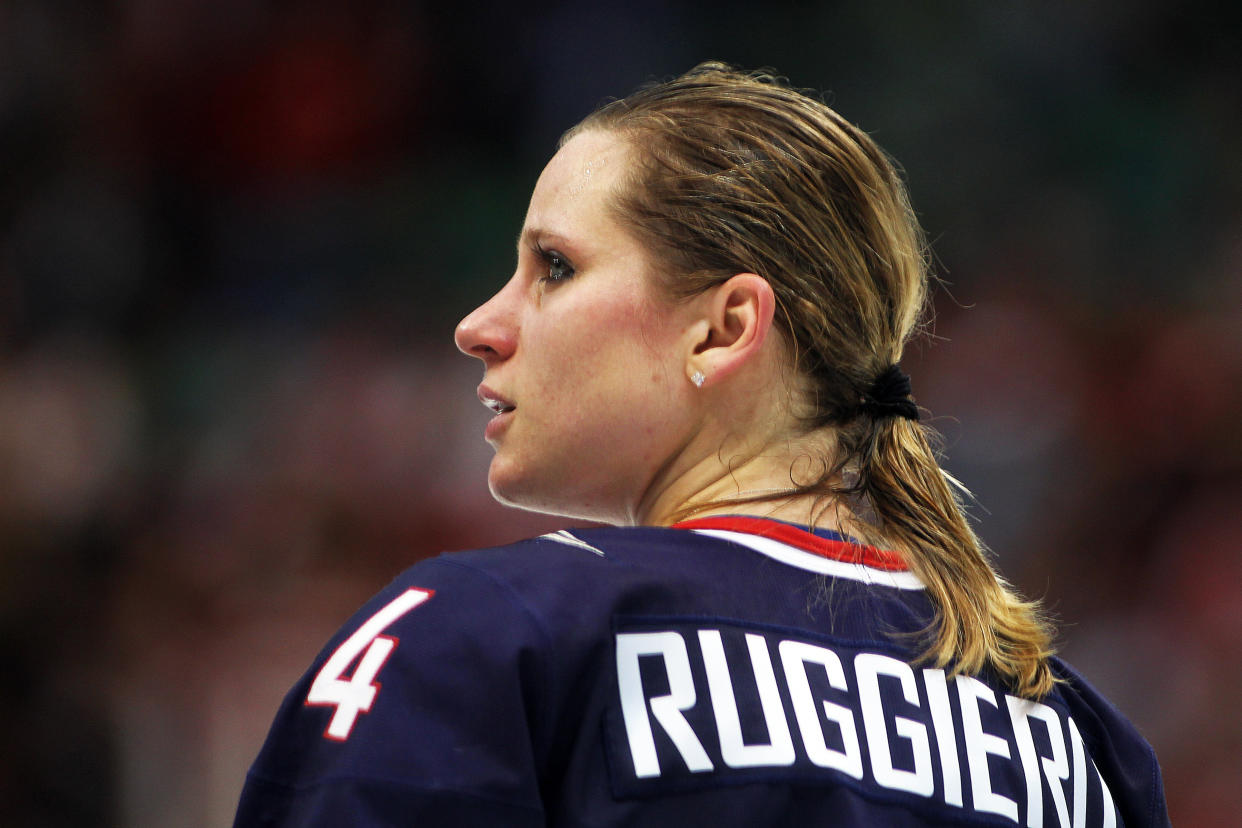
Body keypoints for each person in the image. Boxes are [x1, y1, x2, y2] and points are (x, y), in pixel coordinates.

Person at [233, 63, 1170, 826]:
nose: (480, 324)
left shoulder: (495, 636)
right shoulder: (1084, 744)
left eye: (554, 268)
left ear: (723, 330)